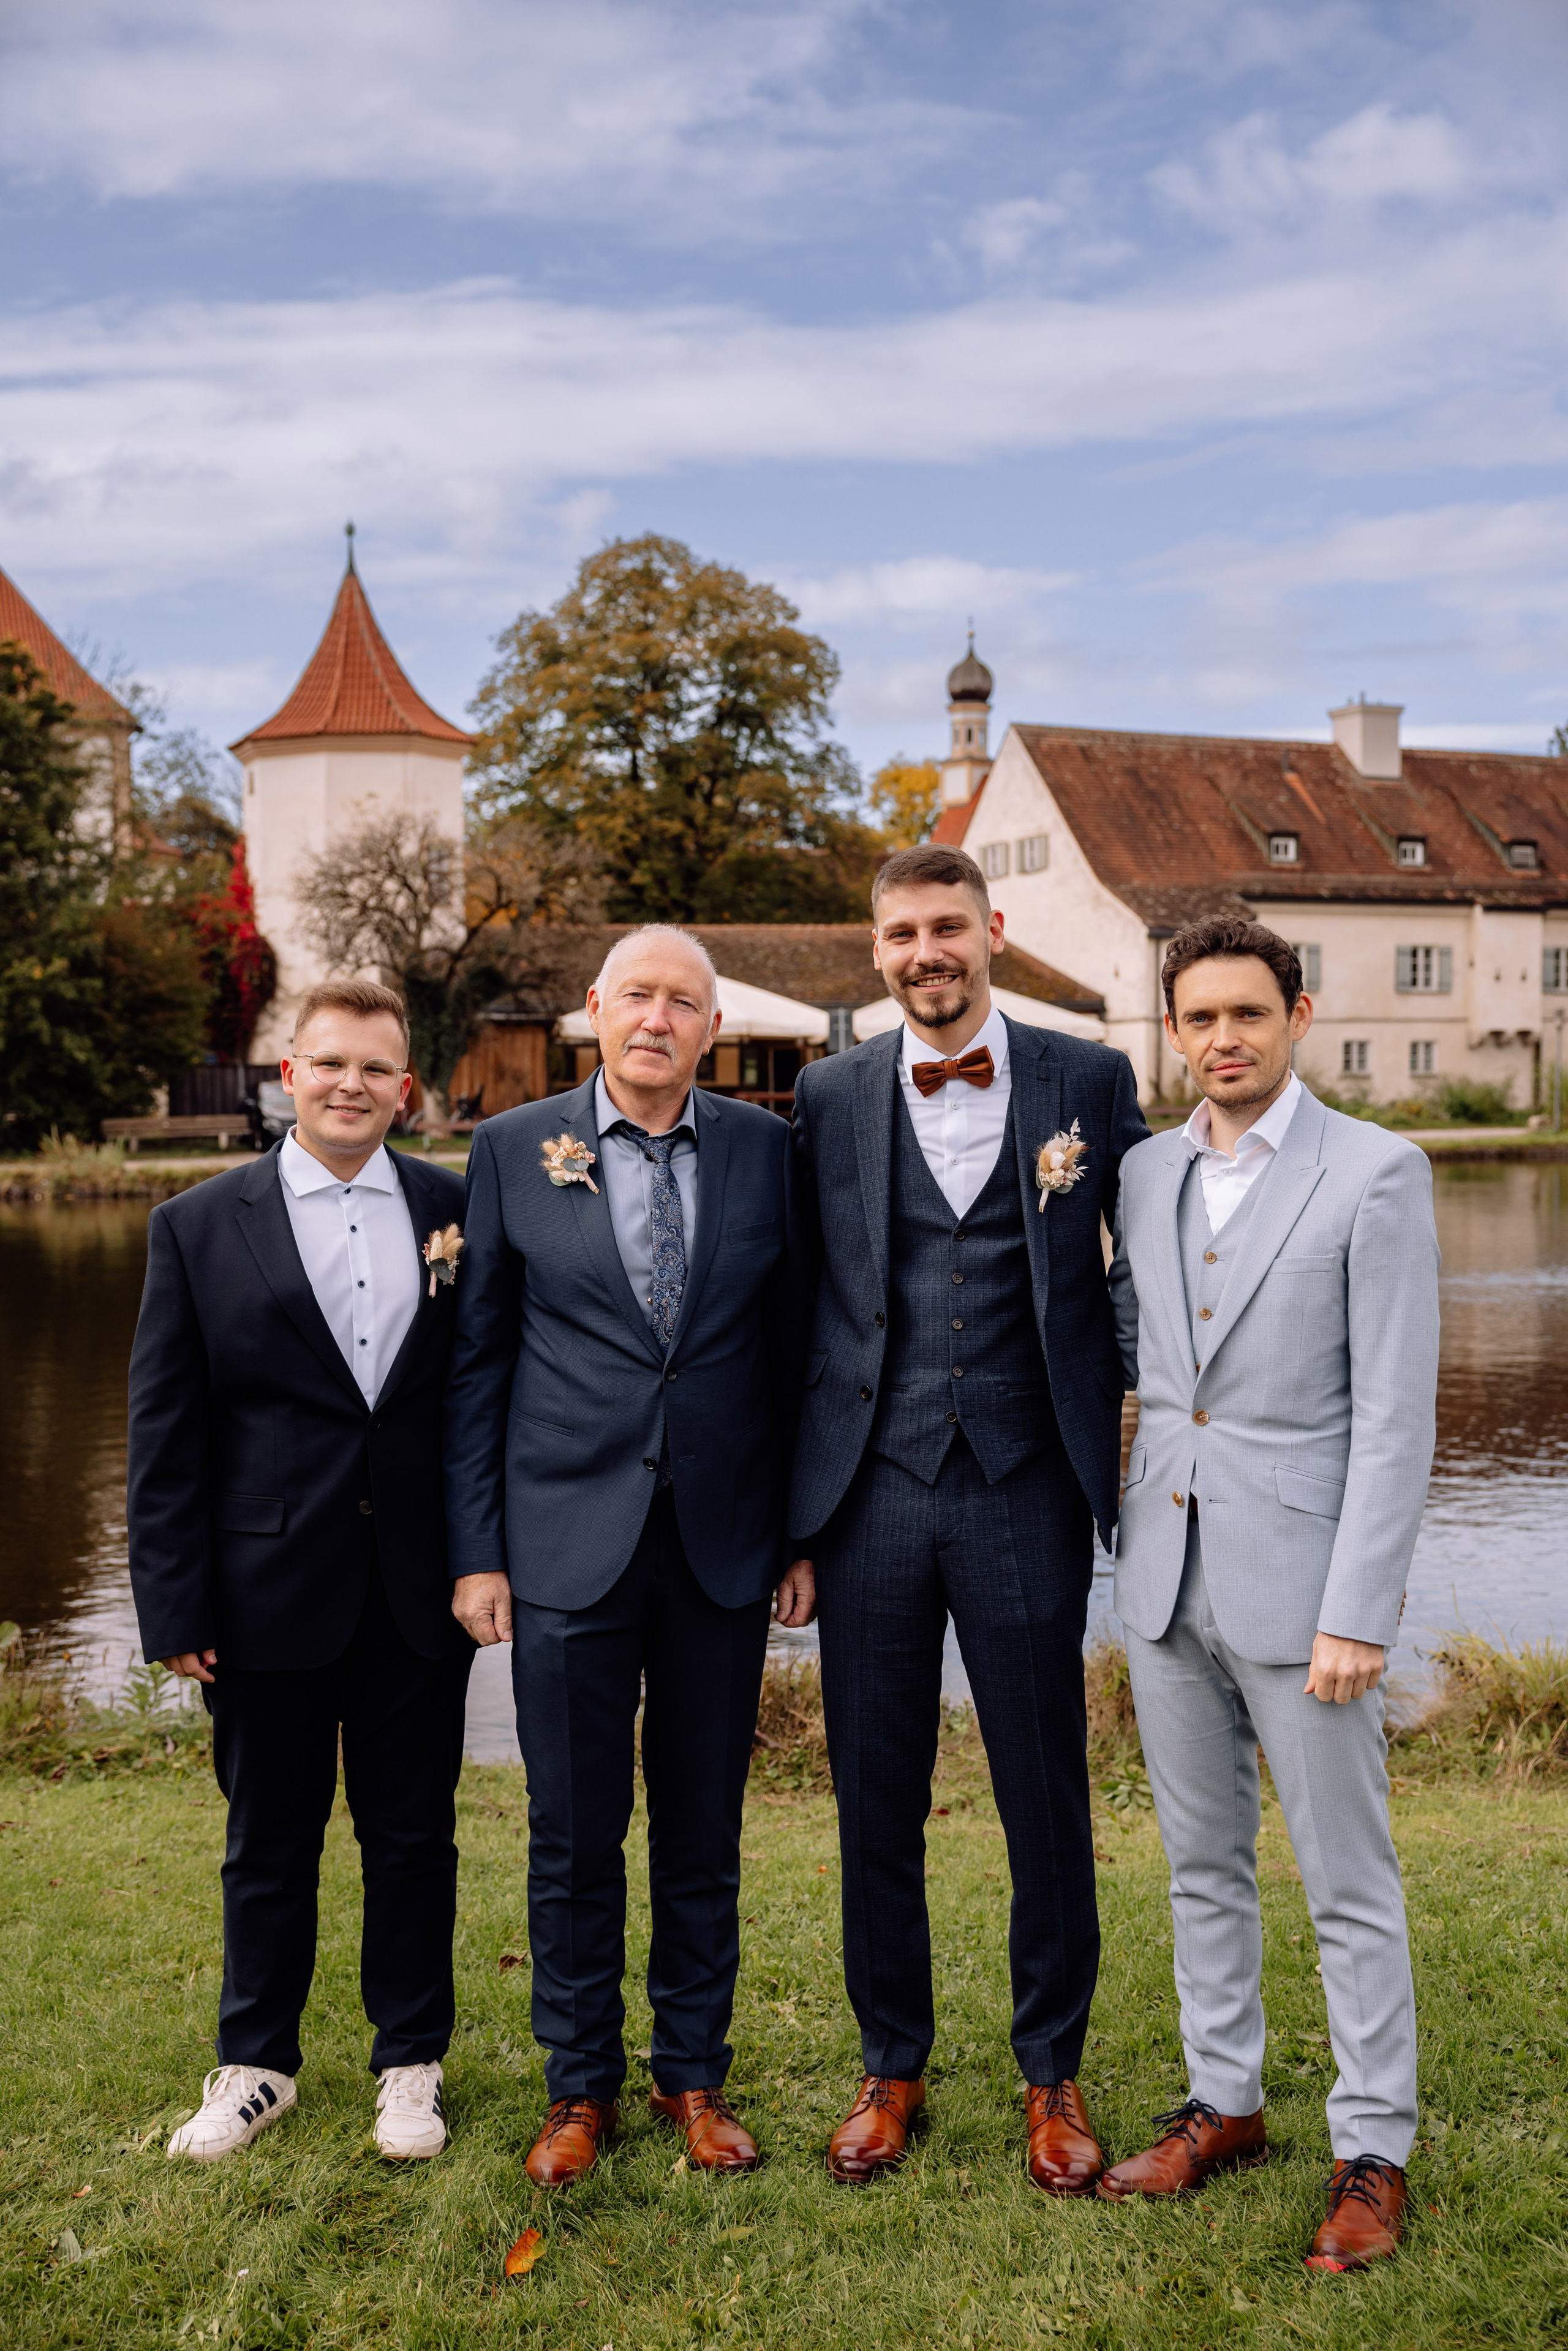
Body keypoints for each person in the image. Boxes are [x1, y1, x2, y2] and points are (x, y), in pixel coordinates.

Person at [786, 843, 1148, 2190]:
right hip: (868, 1489)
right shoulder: (825, 1092)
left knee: (1039, 1786)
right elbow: (795, 1305)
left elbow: (1149, 1257)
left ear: (991, 929)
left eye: (947, 925)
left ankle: (1049, 2070)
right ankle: (892, 2062)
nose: (925, 950)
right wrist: (788, 1524)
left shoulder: (1086, 1079)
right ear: (874, 949)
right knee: (870, 1791)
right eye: (900, 932)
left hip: (1023, 1481)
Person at [443, 926, 807, 2187]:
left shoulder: (768, 1150)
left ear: (712, 1027)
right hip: (559, 1546)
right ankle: (576, 2084)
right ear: (592, 1011)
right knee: (573, 1830)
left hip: (718, 1549)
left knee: (702, 1827)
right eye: (637, 995)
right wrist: (477, 1550)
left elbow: (793, 1351)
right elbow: (476, 1362)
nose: (658, 1017)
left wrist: (795, 1535)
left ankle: (691, 2075)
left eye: (684, 1002)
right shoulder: (510, 1150)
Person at [1102, 917, 1438, 2272]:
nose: (1222, 1039)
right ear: (1172, 1028)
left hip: (1307, 1594)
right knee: (1199, 1866)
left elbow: (1393, 1410)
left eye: (1247, 1012)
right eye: (1198, 1018)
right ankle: (1224, 2100)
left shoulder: (1376, 1171)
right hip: (1162, 1575)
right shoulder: (1138, 1171)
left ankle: (1371, 2146)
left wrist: (1358, 1606)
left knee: (1344, 1878)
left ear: (1297, 1013)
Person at [127, 980, 473, 2164]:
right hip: (260, 1591)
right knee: (267, 1836)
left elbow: (479, 1402)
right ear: (290, 1075)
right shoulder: (197, 1223)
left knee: (414, 1837)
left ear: (406, 1088)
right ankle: (255, 2064)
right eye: (330, 1064)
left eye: (376, 1069)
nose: (351, 1086)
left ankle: (410, 2063)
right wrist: (173, 1602)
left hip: (416, 1587)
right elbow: (165, 1433)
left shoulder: (456, 1207)